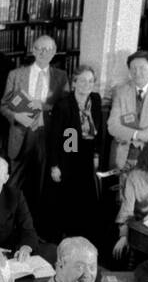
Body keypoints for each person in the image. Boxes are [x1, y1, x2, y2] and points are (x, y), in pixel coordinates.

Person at [1, 35, 70, 207]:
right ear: (33, 50)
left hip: (47, 136)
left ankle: (35, 226)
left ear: (54, 52)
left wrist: (45, 106)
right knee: (14, 184)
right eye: (39, 48)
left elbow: (66, 109)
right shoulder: (16, 75)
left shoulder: (61, 76)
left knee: (42, 185)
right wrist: (16, 116)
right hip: (21, 134)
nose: (43, 52)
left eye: (48, 49)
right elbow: (3, 106)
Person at [45, 64, 107, 241]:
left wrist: (96, 155)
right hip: (69, 154)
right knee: (69, 199)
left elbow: (98, 132)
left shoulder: (95, 99)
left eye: (90, 81)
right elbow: (56, 138)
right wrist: (56, 165)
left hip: (88, 154)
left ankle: (84, 236)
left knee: (87, 201)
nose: (87, 84)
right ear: (74, 83)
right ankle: (68, 237)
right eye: (82, 81)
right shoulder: (65, 105)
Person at [106, 50, 148, 172]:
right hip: (121, 154)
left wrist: (132, 134)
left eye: (142, 68)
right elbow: (112, 126)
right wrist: (137, 135)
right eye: (133, 69)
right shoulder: (120, 91)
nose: (137, 73)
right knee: (119, 189)